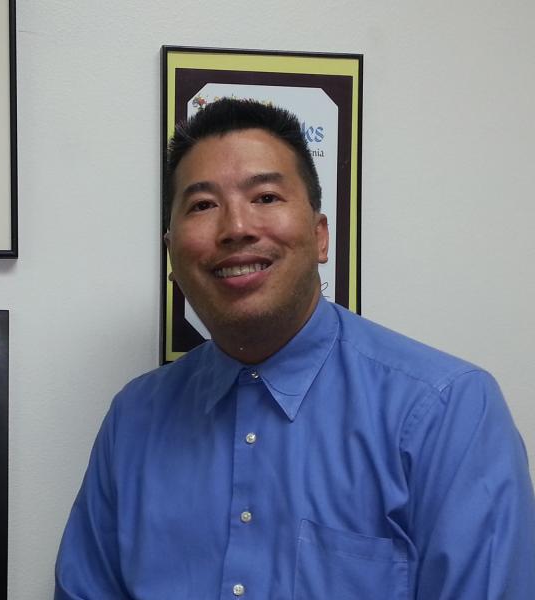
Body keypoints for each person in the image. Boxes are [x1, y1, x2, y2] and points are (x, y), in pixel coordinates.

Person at [54, 98, 535, 599]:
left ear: (320, 235)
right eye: (202, 205)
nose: (236, 227)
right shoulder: (134, 420)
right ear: (172, 253)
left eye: (265, 196)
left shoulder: (448, 411)